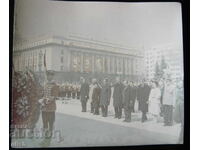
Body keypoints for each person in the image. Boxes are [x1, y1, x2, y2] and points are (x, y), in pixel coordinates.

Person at [39, 70, 59, 147]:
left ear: (52, 76)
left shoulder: (55, 85)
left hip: (51, 109)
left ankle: (48, 142)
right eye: (48, 75)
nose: (48, 77)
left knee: (50, 125)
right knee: (44, 125)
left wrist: (45, 101)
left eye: (50, 75)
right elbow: (42, 94)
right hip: (44, 108)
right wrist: (40, 99)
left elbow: (54, 97)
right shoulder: (45, 84)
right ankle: (45, 140)